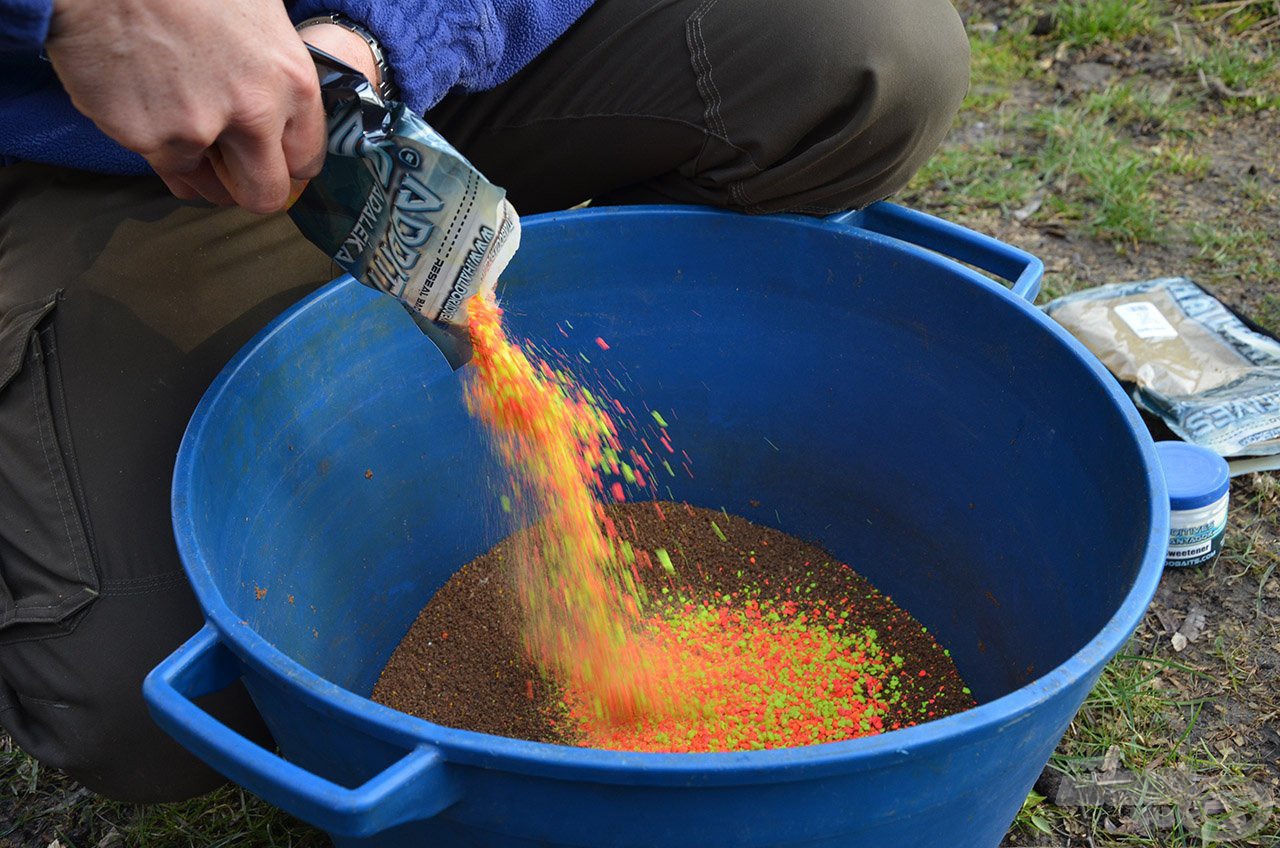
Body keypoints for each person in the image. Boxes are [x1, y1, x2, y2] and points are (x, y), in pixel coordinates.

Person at [0, 0, 970, 802]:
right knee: (134, 701)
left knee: (868, 53)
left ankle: (502, 258)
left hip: (408, 54)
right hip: (80, 149)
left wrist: (382, 39)